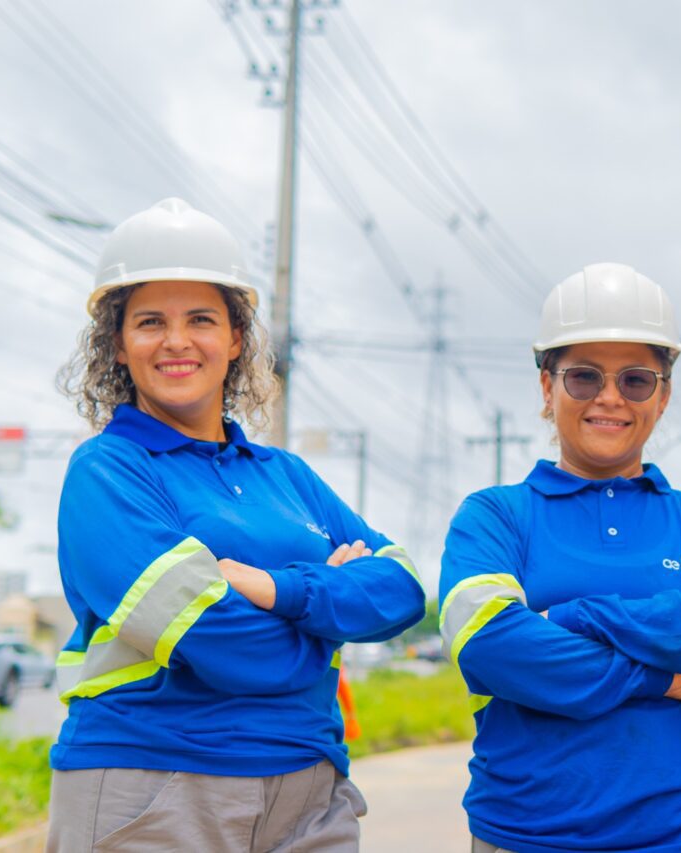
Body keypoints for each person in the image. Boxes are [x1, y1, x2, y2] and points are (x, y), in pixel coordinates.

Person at [47, 198, 426, 852]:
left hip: (310, 788)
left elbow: (403, 591)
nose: (176, 340)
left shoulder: (287, 474)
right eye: (149, 322)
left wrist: (276, 589)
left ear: (236, 339)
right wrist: (329, 617)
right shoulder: (108, 470)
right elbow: (222, 642)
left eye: (201, 318)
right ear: (118, 343)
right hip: (154, 783)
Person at [438, 263, 681, 853]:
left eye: (637, 380)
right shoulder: (494, 515)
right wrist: (663, 677)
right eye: (584, 377)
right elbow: (491, 649)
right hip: (525, 836)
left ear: (664, 395)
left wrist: (572, 618)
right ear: (547, 387)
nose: (610, 398)